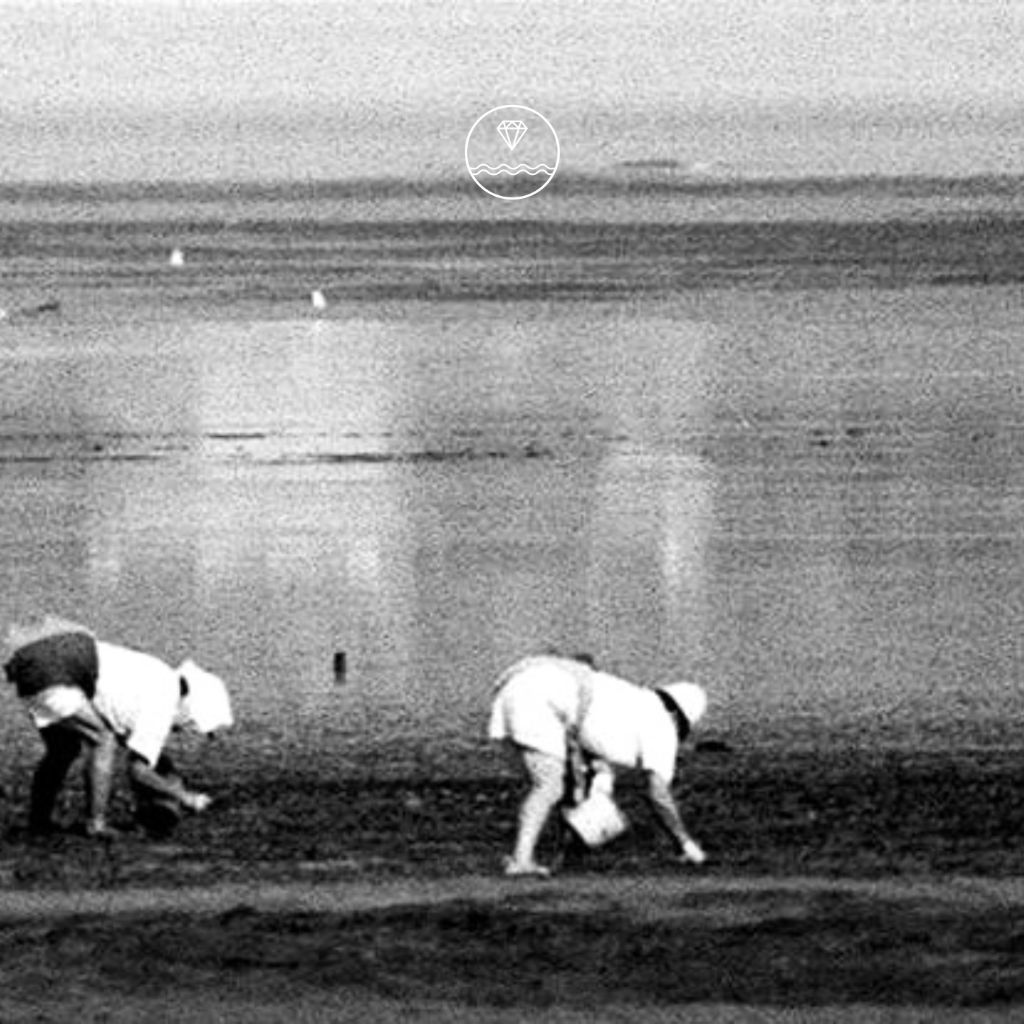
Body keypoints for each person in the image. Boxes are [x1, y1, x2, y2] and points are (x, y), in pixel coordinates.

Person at [4, 616, 233, 838]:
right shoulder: (165, 702)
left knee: (63, 750)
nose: (179, 730)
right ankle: (96, 823)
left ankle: (38, 822)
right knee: (102, 739)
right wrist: (185, 797)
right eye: (186, 726)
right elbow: (138, 771)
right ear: (190, 709)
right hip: (57, 670)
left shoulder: (159, 672)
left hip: (37, 657)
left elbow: (118, 721)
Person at [488, 653, 708, 877]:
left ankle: (533, 855)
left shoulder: (632, 699)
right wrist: (685, 842)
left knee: (554, 784)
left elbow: (590, 760)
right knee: (548, 786)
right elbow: (658, 793)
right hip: (540, 696)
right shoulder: (662, 725)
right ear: (679, 718)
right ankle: (521, 860)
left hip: (521, 684)